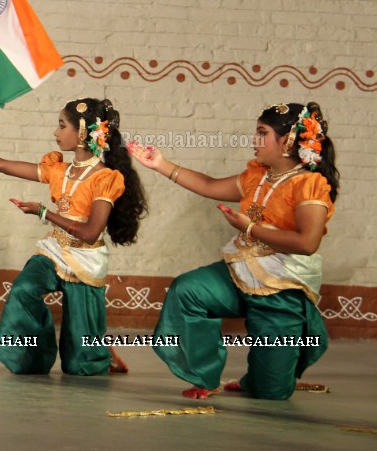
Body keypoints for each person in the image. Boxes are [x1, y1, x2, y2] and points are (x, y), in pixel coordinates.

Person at [127, 102, 338, 400]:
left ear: (288, 141)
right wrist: (160, 164)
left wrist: (249, 228)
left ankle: (266, 376)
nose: (254, 140)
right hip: (241, 273)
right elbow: (209, 185)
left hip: (282, 290)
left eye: (262, 133)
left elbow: (307, 243)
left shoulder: (310, 185)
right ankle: (206, 376)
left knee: (271, 392)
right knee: (187, 291)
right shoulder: (258, 176)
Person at [0, 98, 147, 375]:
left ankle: (100, 353)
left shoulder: (105, 179)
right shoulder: (58, 169)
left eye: (62, 126)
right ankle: (31, 358)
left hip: (85, 261)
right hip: (53, 251)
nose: (55, 132)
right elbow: (2, 165)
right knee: (24, 289)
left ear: (83, 132)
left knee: (80, 366)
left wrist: (44, 213)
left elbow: (89, 234)